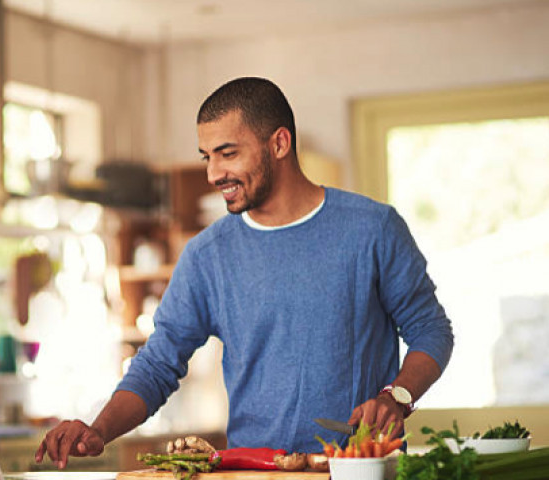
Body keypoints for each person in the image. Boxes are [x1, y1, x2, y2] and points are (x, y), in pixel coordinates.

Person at [35, 77, 454, 469]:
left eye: (228, 153)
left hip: (358, 468)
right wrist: (98, 429)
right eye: (207, 156)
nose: (214, 174)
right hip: (254, 472)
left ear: (279, 143)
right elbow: (159, 363)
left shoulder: (371, 229)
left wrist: (396, 397)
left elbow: (431, 331)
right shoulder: (207, 256)